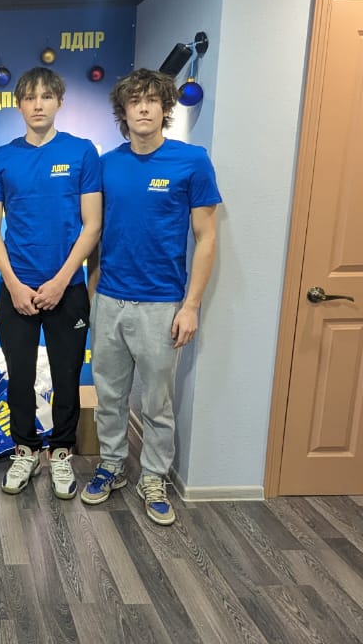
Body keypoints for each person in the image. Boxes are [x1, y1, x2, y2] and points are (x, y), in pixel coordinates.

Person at [82, 69, 221, 526]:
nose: (143, 108)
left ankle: (154, 477)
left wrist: (191, 305)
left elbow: (206, 237)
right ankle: (112, 465)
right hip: (110, 301)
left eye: (152, 101)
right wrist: (93, 293)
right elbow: (95, 233)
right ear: (123, 112)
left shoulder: (192, 161)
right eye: (134, 101)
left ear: (165, 108)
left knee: (157, 403)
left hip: (163, 304)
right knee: (110, 396)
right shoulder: (106, 164)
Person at [0, 67, 102, 499]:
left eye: (46, 97)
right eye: (29, 97)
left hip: (67, 290)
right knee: (20, 376)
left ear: (59, 103)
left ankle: (61, 452)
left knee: (68, 376)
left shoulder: (82, 152)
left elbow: (92, 225)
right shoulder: (1, 158)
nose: (37, 105)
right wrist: (14, 284)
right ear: (18, 105)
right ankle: (25, 450)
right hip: (17, 290)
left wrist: (62, 281)